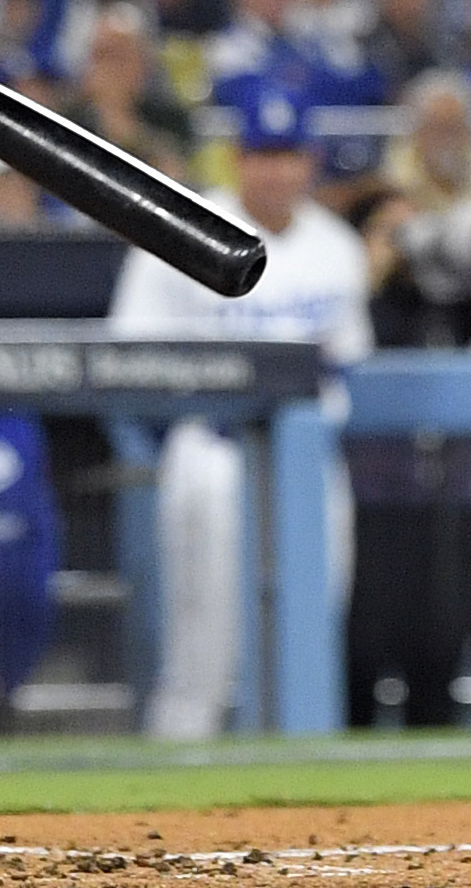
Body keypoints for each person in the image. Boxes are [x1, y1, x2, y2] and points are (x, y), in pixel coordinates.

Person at [105, 82, 375, 739]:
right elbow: (126, 352)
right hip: (213, 453)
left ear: (308, 161)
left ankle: (299, 811)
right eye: (261, 153)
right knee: (203, 645)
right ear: (236, 158)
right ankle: (168, 799)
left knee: (311, 632)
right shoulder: (183, 227)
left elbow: (352, 357)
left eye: (287, 153)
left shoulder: (337, 245)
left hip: (309, 463)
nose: (275, 169)